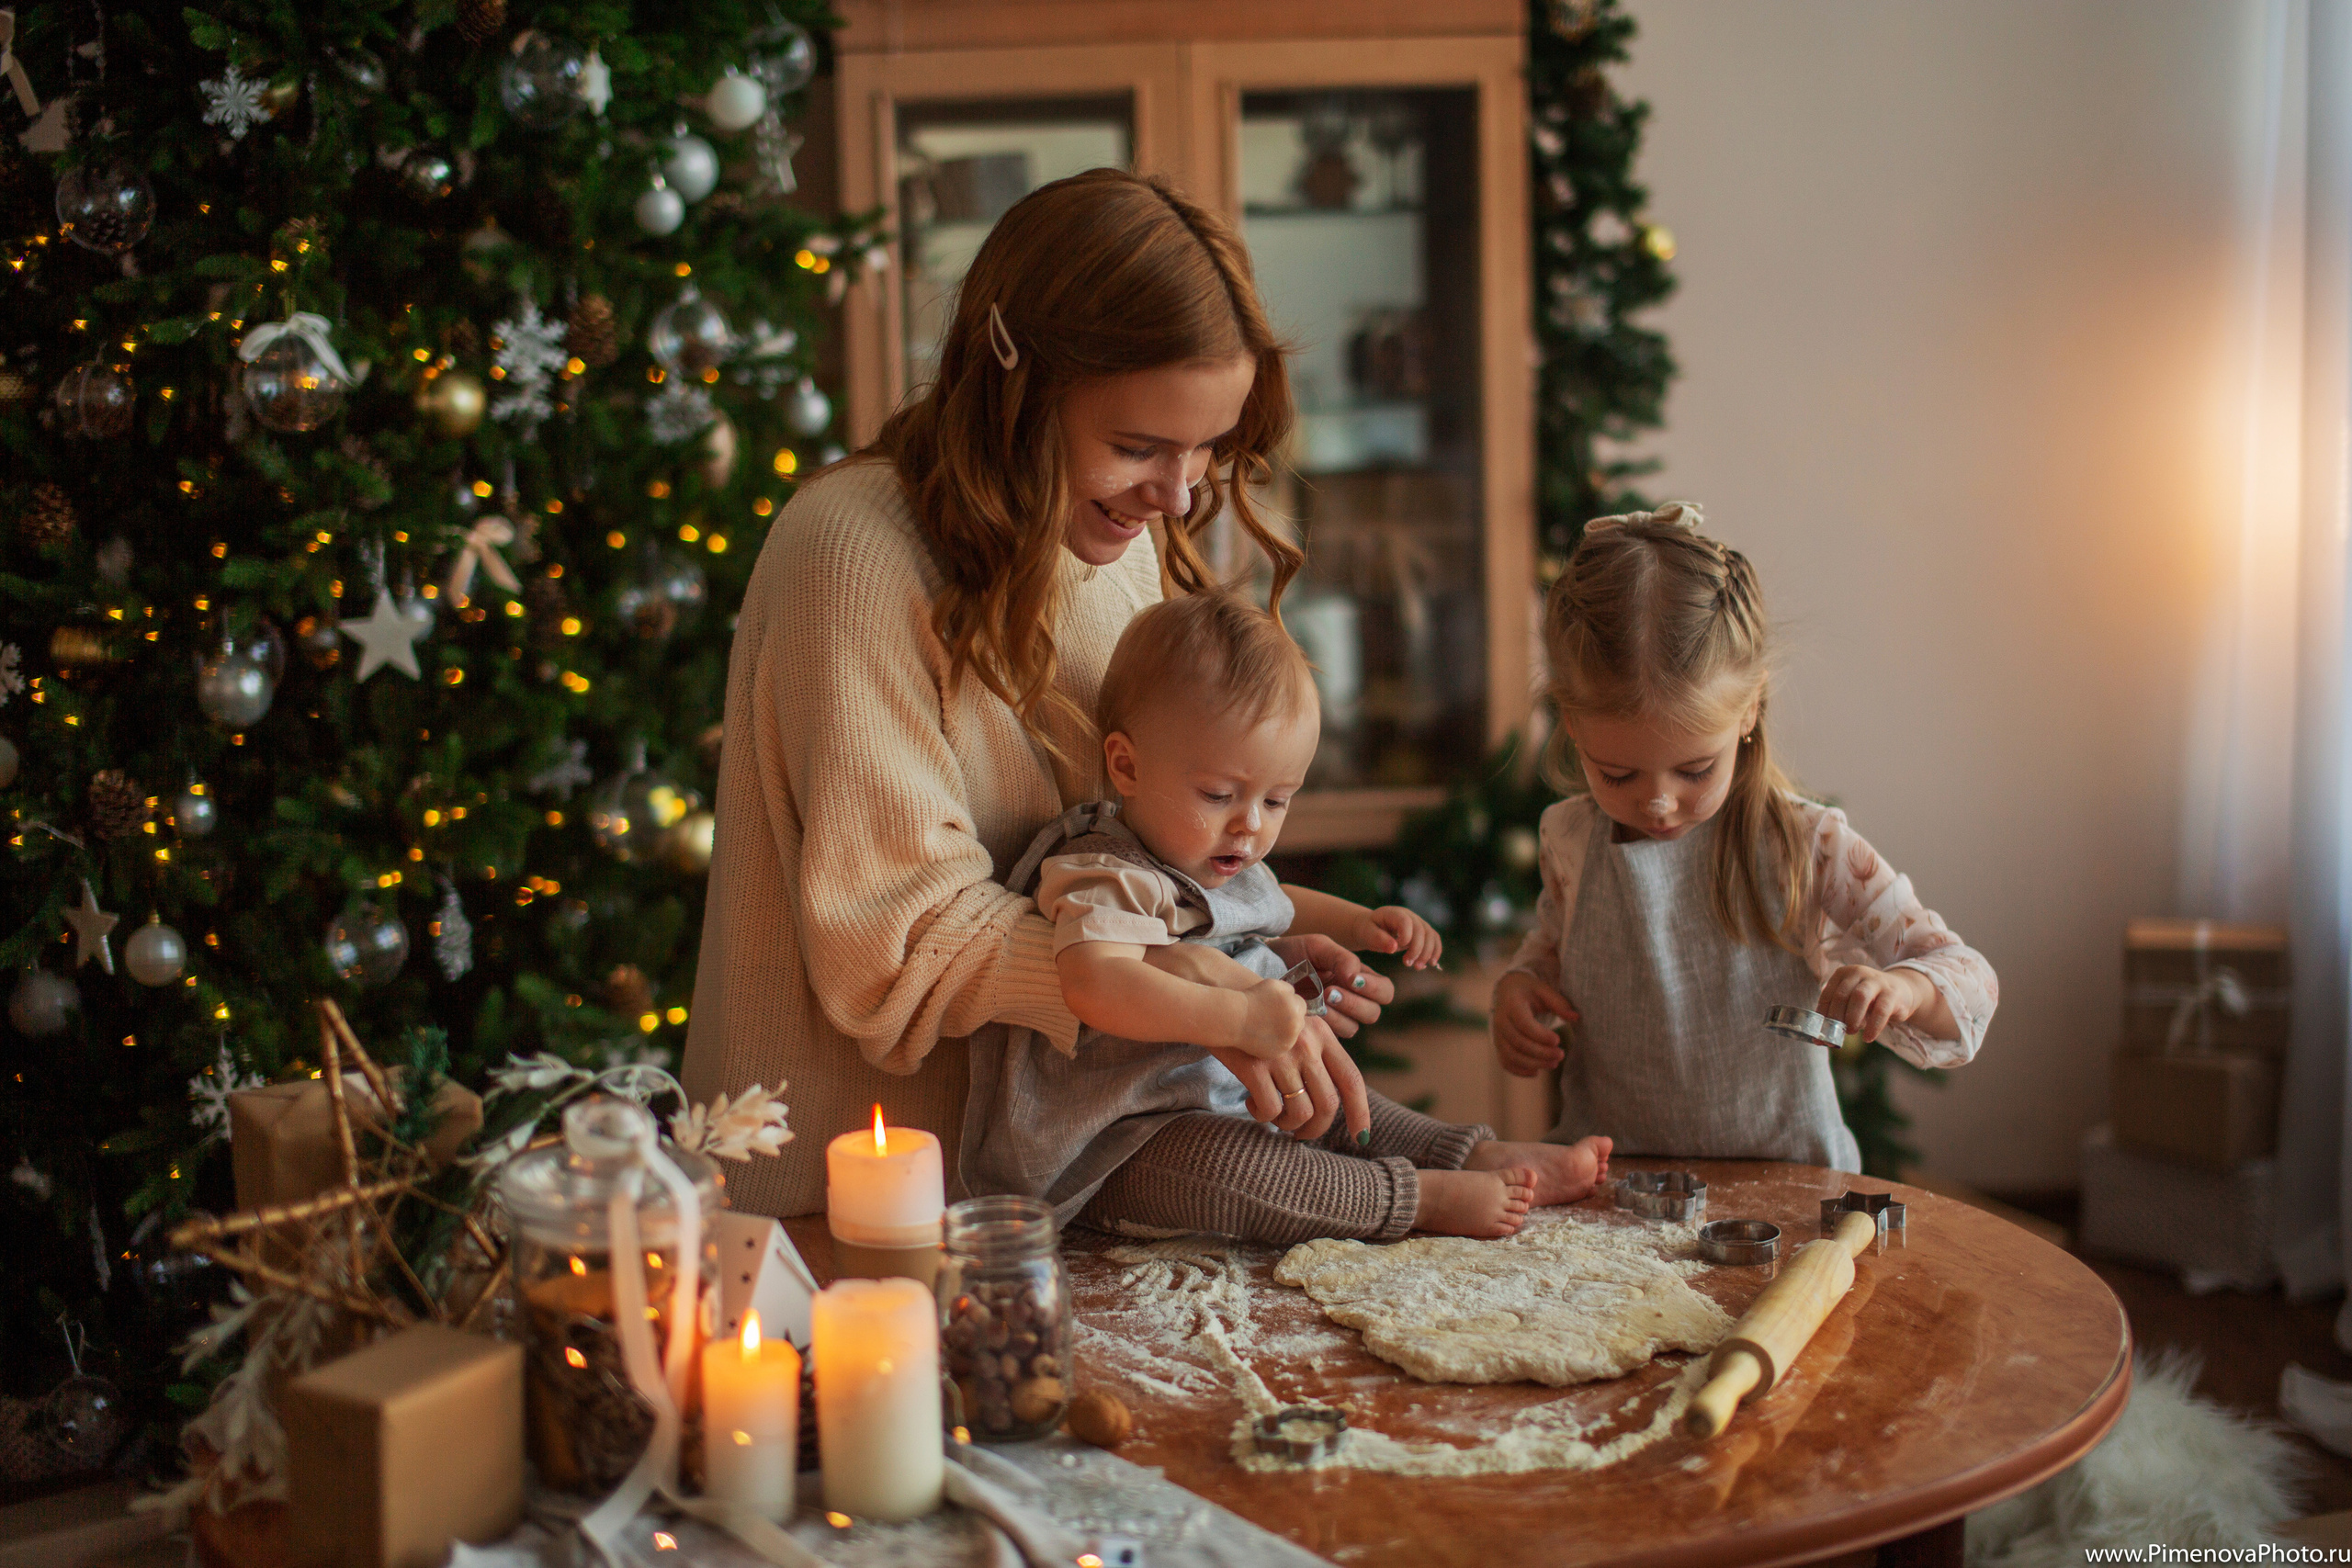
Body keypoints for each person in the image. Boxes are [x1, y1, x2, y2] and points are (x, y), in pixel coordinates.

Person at [682, 169, 1390, 1217]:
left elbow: (1115, 850)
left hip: (1046, 1180)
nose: (1179, 494)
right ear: (1013, 387)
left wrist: (1244, 949)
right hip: (839, 1204)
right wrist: (1189, 992)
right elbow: (900, 944)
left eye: (1205, 447)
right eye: (1136, 446)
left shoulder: (1118, 542)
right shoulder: (851, 555)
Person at [967, 590, 1614, 1243]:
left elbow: (1276, 904)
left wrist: (1360, 921)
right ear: (1127, 766)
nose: (1249, 825)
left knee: (1338, 1095)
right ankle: (1413, 1198)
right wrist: (1239, 1015)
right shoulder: (1104, 871)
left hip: (1230, 1098)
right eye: (1219, 794)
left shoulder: (1218, 856)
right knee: (1243, 1169)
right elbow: (1093, 981)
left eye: (1277, 801)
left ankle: (1466, 1151)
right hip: (1121, 1146)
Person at [1490, 502, 1998, 1172]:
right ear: (1572, 726)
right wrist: (1520, 992)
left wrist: (1907, 989)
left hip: (1787, 1189)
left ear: (1749, 709)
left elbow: (1970, 979)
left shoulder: (1809, 845)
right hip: (1615, 1193)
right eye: (1617, 773)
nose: (1659, 800)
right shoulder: (1569, 837)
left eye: (1695, 768)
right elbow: (1549, 954)